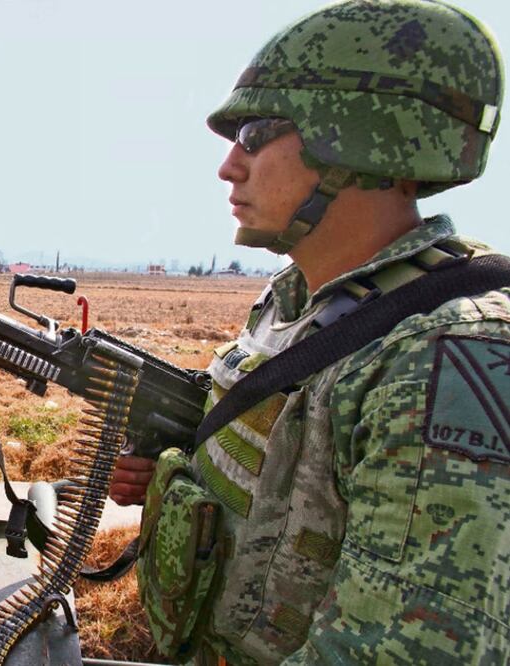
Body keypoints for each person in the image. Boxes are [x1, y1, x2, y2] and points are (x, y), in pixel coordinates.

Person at [109, 1, 510, 663]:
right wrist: (176, 470)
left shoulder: (442, 357)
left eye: (254, 135)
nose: (227, 168)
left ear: (355, 138)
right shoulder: (297, 299)